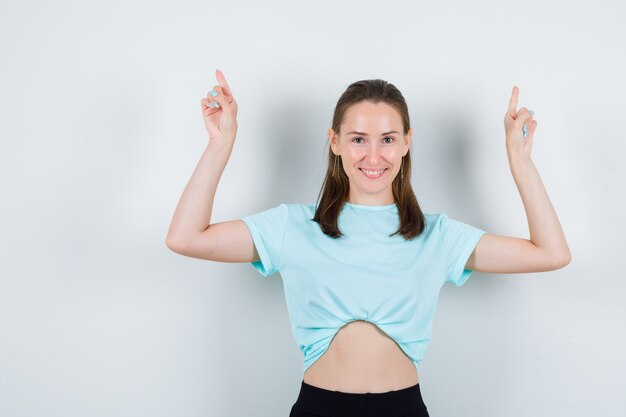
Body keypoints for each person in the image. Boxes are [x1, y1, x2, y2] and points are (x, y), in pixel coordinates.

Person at [165, 69, 572, 417]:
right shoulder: (292, 225)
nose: (373, 155)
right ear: (335, 141)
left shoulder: (438, 236)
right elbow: (186, 238)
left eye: (387, 139)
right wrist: (220, 145)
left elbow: (551, 254)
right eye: (358, 139)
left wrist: (521, 161)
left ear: (407, 142)